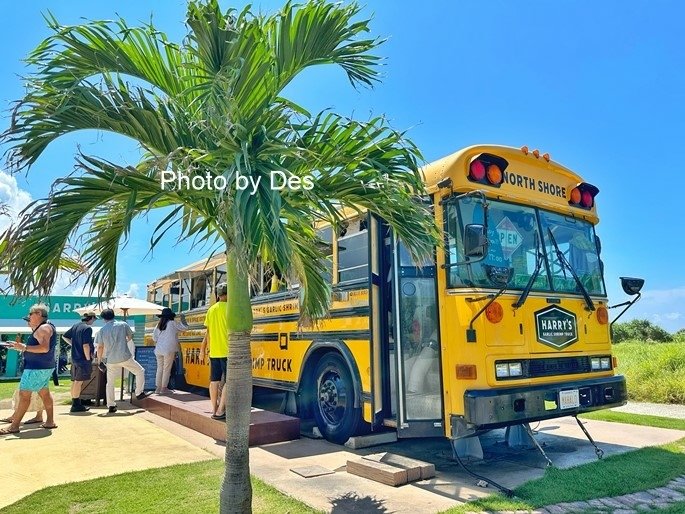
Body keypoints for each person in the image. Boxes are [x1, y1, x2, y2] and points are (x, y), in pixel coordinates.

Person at [0, 303, 58, 435]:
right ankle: (50, 421)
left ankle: (14, 426)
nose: (29, 317)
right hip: (43, 366)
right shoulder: (45, 327)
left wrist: (24, 348)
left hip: (36, 368)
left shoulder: (43, 328)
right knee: (44, 393)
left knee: (24, 395)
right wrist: (21, 347)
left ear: (38, 314)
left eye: (30, 314)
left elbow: (44, 348)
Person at [95, 308, 150, 414]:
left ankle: (111, 405)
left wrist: (99, 361)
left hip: (111, 359)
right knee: (140, 371)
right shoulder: (123, 324)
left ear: (103, 319)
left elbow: (100, 347)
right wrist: (123, 341)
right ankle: (139, 392)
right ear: (113, 315)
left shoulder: (101, 330)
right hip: (124, 356)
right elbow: (130, 336)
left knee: (110, 383)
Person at [200, 282, 229, 420]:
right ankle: (221, 409)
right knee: (229, 381)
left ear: (218, 295)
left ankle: (214, 408)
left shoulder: (211, 310)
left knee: (214, 381)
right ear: (228, 294)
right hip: (228, 351)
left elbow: (208, 331)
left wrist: (203, 349)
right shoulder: (230, 308)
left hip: (214, 351)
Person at [62, 310, 97, 413]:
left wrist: (74, 344)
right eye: (94, 319)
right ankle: (76, 405)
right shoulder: (87, 329)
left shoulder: (76, 325)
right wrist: (87, 359)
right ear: (91, 318)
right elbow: (86, 345)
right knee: (79, 382)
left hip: (75, 358)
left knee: (75, 381)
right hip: (83, 359)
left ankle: (75, 402)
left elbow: (65, 336)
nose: (94, 321)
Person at [152, 307, 188, 394]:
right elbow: (185, 327)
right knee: (166, 369)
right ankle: (164, 388)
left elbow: (154, 338)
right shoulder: (172, 323)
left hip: (158, 350)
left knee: (159, 368)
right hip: (168, 350)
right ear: (170, 316)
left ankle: (158, 388)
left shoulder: (158, 325)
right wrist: (183, 318)